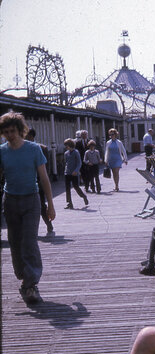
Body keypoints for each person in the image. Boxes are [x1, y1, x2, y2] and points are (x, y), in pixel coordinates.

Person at [0, 111, 55, 304]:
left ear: (20, 130)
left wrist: (50, 205)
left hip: (31, 200)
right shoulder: (2, 151)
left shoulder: (33, 149)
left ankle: (31, 284)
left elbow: (44, 178)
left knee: (29, 241)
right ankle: (24, 278)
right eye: (6, 132)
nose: (10, 135)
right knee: (15, 241)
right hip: (11, 200)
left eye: (13, 130)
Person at [25, 128, 54, 236]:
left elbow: (46, 167)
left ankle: (48, 224)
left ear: (31, 136)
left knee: (41, 206)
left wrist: (45, 181)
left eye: (26, 135)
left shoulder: (42, 148)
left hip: (39, 182)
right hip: (27, 182)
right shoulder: (21, 148)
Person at [63, 138, 88, 209]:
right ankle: (69, 203)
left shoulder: (76, 152)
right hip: (67, 172)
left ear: (70, 145)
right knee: (67, 188)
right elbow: (66, 163)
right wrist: (65, 171)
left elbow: (79, 162)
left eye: (67, 145)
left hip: (74, 173)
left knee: (76, 187)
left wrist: (76, 170)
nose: (66, 147)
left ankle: (83, 196)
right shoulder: (66, 153)